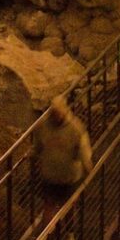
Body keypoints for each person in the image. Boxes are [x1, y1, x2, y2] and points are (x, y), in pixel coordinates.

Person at [34, 95, 92, 223]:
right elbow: (37, 146)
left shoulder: (74, 129)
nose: (55, 116)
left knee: (67, 206)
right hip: (51, 174)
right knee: (51, 204)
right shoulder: (43, 126)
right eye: (53, 113)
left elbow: (83, 151)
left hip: (68, 176)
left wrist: (87, 167)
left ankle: (66, 234)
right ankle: (48, 236)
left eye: (57, 113)